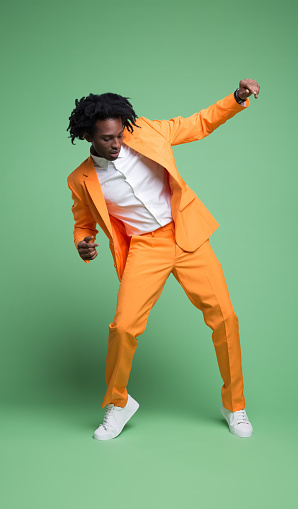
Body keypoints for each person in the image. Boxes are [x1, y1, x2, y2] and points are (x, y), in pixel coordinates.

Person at [67, 79, 260, 440]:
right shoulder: (80, 179)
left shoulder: (148, 132)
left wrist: (236, 99)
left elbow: (198, 123)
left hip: (186, 236)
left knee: (225, 319)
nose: (116, 143)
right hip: (144, 249)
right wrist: (84, 242)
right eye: (107, 138)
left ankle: (235, 405)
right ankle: (118, 403)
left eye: (120, 134)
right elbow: (83, 223)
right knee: (123, 328)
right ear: (88, 136)